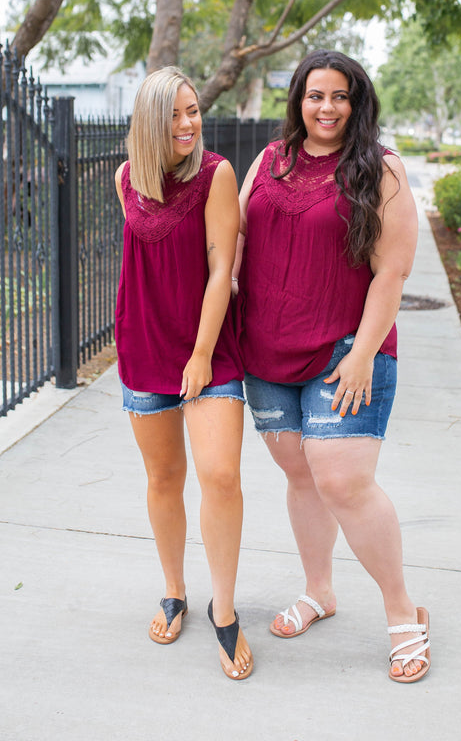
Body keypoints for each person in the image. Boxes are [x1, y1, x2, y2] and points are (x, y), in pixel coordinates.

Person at [233, 49, 430, 683]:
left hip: (345, 353)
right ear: (298, 100)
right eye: (315, 95)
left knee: (343, 481)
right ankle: (320, 589)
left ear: (356, 101)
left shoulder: (382, 171)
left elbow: (392, 272)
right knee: (300, 475)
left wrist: (364, 354)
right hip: (266, 351)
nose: (326, 107)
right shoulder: (268, 161)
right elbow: (234, 239)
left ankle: (403, 612)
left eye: (339, 96)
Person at [114, 66, 253, 680]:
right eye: (174, 113)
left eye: (192, 111)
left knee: (220, 476)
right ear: (149, 122)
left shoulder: (216, 175)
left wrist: (200, 354)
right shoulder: (126, 179)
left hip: (206, 349)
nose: (188, 123)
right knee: (163, 476)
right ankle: (175, 590)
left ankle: (224, 608)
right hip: (143, 348)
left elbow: (221, 269)